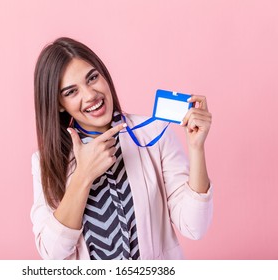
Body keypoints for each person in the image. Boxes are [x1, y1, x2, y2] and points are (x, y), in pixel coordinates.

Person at [31, 37, 213, 260]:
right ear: (59, 104)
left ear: (104, 75)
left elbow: (194, 227)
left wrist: (196, 149)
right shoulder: (45, 161)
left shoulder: (155, 133)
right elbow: (52, 252)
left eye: (93, 78)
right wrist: (83, 176)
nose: (90, 96)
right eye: (71, 92)